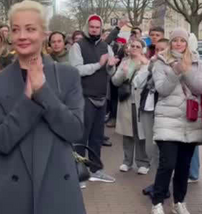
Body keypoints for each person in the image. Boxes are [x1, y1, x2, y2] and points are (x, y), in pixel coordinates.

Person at [0, 0, 88, 214]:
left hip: (58, 192)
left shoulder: (67, 75)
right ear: (9, 35)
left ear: (44, 34)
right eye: (16, 29)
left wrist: (42, 91)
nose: (22, 35)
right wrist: (27, 99)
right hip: (13, 196)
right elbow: (0, 140)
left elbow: (74, 130)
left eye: (30, 29)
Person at [150, 28, 202, 214]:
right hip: (168, 119)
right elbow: (162, 89)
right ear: (171, 42)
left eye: (183, 40)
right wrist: (175, 71)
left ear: (187, 43)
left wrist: (186, 69)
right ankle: (157, 203)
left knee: (183, 166)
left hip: (190, 121)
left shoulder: (198, 61)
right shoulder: (159, 62)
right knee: (168, 164)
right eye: (176, 40)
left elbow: (200, 87)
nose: (179, 44)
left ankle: (179, 202)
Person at [69, 14, 119, 185]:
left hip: (101, 97)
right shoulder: (78, 46)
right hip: (84, 97)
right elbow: (76, 70)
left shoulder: (106, 46)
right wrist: (99, 64)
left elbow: (110, 73)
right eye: (92, 27)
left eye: (97, 27)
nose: (94, 30)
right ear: (87, 27)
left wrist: (111, 66)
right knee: (81, 137)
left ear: (101, 28)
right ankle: (79, 172)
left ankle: (96, 169)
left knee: (97, 137)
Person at [112, 39, 150, 174]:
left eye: (137, 46)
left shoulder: (147, 63)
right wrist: (123, 72)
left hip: (141, 102)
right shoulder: (124, 62)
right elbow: (115, 81)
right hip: (126, 101)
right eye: (132, 46)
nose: (134, 48)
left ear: (142, 49)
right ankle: (127, 161)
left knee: (141, 133)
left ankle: (143, 162)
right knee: (127, 133)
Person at [137, 38, 169, 198]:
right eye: (156, 50)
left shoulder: (170, 67)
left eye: (163, 49)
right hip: (147, 109)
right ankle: (157, 183)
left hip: (162, 113)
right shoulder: (152, 65)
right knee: (150, 149)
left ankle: (162, 186)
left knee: (161, 151)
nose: (159, 53)